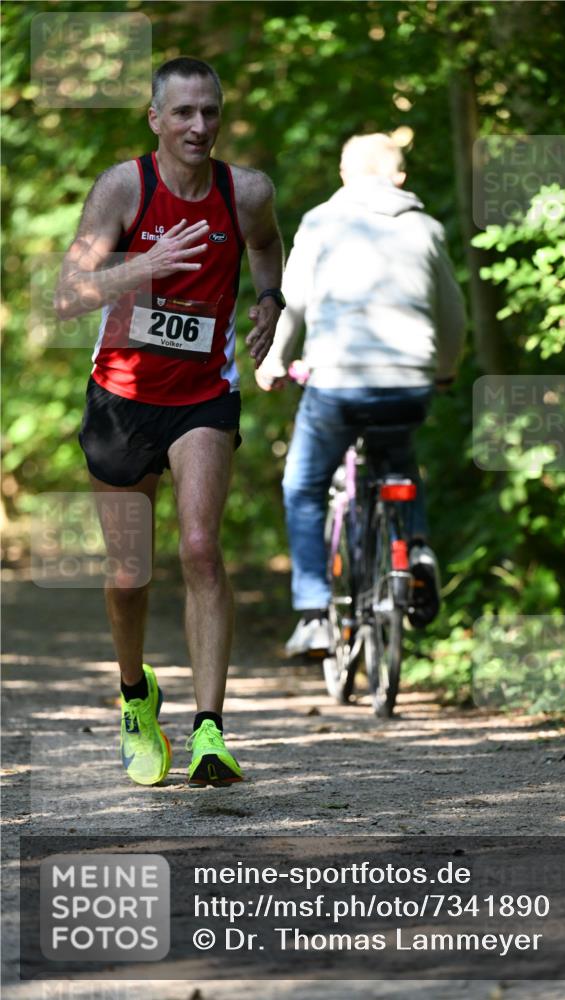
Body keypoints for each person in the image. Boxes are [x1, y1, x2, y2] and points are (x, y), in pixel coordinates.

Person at [55, 57, 284, 787]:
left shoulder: (245, 192)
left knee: (199, 547)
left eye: (210, 111)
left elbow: (265, 247)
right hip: (121, 397)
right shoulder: (126, 187)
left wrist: (270, 302)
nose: (199, 126)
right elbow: (68, 296)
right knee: (128, 572)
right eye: (183, 112)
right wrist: (142, 265)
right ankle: (134, 696)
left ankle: (209, 730)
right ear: (155, 119)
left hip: (201, 396)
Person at [256, 133, 466, 657]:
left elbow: (293, 303)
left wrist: (273, 361)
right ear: (399, 177)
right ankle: (415, 551)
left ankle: (313, 616)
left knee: (303, 487)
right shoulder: (427, 228)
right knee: (399, 457)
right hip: (409, 381)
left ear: (344, 176)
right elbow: (454, 315)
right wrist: (444, 371)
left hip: (339, 383)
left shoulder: (321, 223)